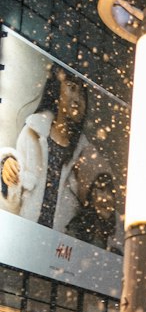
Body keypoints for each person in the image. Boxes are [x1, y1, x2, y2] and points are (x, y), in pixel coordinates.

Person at [0, 68, 95, 231]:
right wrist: (7, 163)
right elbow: (15, 192)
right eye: (71, 87)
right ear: (57, 90)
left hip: (61, 248)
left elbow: (92, 208)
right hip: (25, 234)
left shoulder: (84, 154)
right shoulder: (32, 132)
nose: (77, 99)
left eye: (82, 94)